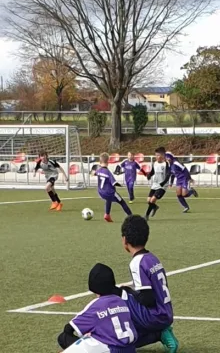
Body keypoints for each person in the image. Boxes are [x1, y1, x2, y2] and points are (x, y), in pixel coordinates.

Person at [121, 215, 179, 353]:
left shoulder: (137, 262)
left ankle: (158, 334)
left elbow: (147, 298)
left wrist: (127, 291)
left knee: (118, 297)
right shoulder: (152, 258)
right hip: (166, 314)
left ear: (125, 240)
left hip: (155, 316)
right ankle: (161, 333)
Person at [57, 263, 137, 353]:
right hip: (130, 349)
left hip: (110, 349)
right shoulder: (121, 301)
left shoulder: (96, 305)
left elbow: (69, 328)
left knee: (63, 337)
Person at [94, 153, 132, 222]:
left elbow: (94, 173)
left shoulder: (99, 170)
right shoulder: (108, 172)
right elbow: (114, 183)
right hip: (109, 192)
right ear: (108, 162)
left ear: (100, 162)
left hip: (101, 192)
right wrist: (120, 185)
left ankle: (107, 215)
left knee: (108, 199)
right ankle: (131, 217)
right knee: (122, 202)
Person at [144, 147, 171, 221]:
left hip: (162, 186)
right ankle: (155, 207)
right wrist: (149, 175)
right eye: (156, 155)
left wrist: (164, 182)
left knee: (152, 200)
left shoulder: (166, 164)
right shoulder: (155, 163)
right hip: (155, 185)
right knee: (148, 200)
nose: (156, 157)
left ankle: (146, 215)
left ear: (162, 155)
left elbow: (168, 175)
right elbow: (153, 171)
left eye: (158, 155)